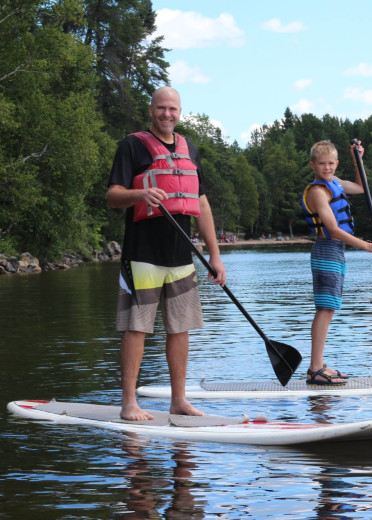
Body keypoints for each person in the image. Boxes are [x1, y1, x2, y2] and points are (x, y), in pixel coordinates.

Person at [107, 86, 225, 420]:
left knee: (180, 328)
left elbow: (200, 202)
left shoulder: (191, 150)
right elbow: (113, 195)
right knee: (137, 328)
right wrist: (139, 194)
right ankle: (129, 402)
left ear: (180, 112)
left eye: (172, 109)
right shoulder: (132, 146)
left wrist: (215, 256)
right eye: (161, 108)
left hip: (181, 257)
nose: (167, 114)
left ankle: (179, 400)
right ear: (151, 110)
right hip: (142, 253)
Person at [300, 140, 372, 385]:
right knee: (325, 308)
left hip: (336, 251)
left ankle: (318, 365)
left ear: (336, 164)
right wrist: (367, 246)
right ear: (313, 165)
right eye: (321, 164)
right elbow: (332, 229)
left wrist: (356, 159)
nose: (327, 168)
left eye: (331, 163)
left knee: (329, 307)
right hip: (327, 249)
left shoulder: (336, 183)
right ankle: (315, 368)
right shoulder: (318, 191)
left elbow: (361, 187)